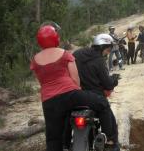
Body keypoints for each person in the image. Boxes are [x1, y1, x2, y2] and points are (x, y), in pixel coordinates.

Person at [30, 23, 109, 151]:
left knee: (53, 138)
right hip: (70, 95)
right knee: (102, 103)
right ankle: (108, 140)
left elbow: (41, 82)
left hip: (49, 102)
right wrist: (78, 93)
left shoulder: (35, 60)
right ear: (56, 38)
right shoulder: (64, 53)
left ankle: (64, 145)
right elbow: (75, 80)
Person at [73, 34, 120, 151]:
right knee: (108, 114)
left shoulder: (77, 54)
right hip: (94, 98)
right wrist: (114, 81)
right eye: (108, 49)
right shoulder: (99, 61)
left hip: (75, 96)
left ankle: (64, 144)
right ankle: (109, 142)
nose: (108, 52)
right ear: (102, 47)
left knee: (66, 118)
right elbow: (107, 84)